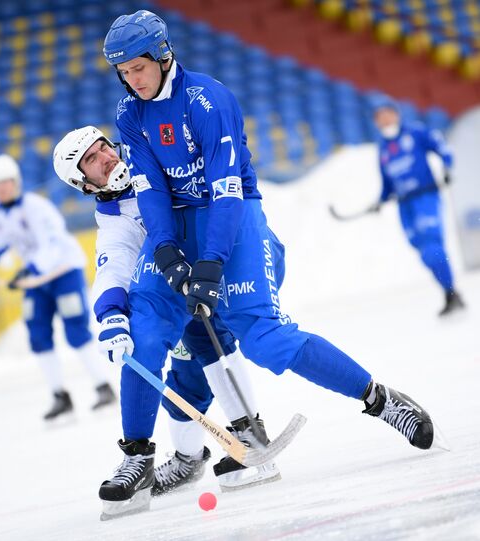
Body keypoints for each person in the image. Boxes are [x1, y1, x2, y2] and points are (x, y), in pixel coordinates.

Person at [97, 8, 442, 512]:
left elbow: (226, 191)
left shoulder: (208, 100)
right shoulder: (130, 115)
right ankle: (136, 456)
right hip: (177, 226)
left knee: (265, 338)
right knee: (144, 331)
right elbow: (150, 192)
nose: (133, 80)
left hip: (231, 220)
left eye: (139, 68)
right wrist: (167, 251)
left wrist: (211, 262)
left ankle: (381, 400)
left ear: (163, 56)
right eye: (123, 72)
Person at [53, 127, 282, 510]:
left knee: (212, 347)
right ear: (83, 182)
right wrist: (110, 314)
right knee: (185, 379)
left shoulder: (152, 160)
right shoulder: (112, 216)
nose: (106, 157)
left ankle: (249, 437)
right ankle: (186, 460)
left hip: (220, 266)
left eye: (103, 147)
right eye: (91, 160)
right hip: (174, 296)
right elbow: (113, 263)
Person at [0, 154, 115, 420]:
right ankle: (59, 395)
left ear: (16, 182)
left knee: (76, 329)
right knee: (37, 332)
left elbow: (52, 243)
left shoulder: (37, 207)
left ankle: (103, 386)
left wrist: (31, 268)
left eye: (6, 182)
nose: (2, 188)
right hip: (34, 279)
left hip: (62, 271)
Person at [371, 96, 465, 317]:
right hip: (405, 206)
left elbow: (442, 147)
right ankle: (450, 293)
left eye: (387, 113)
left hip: (426, 198)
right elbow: (387, 184)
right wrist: (381, 200)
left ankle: (452, 293)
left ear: (396, 113)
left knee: (433, 246)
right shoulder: (383, 149)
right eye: (378, 117)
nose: (384, 119)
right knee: (422, 251)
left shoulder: (415, 133)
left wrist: (447, 166)